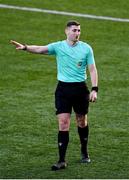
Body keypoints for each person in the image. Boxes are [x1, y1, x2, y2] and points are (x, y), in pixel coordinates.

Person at [10, 20, 98, 171]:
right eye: (74, 30)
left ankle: (84, 150)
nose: (77, 33)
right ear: (66, 31)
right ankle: (62, 160)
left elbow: (92, 69)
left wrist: (94, 89)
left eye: (79, 31)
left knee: (81, 121)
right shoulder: (58, 46)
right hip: (63, 90)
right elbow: (40, 49)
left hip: (80, 89)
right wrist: (25, 47)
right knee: (63, 123)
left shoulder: (86, 48)